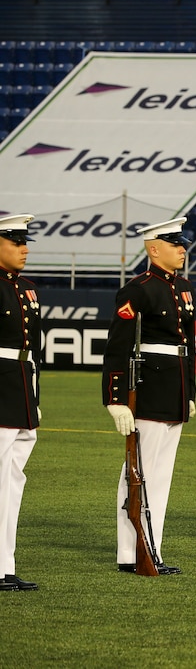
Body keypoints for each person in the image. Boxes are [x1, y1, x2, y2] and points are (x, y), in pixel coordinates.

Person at [102, 217, 196, 576]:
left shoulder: (185, 288)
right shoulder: (137, 289)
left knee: (162, 475)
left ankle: (151, 547)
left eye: (182, 244)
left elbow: (189, 346)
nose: (182, 250)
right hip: (147, 389)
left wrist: (190, 391)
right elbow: (117, 347)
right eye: (175, 244)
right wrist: (115, 398)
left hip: (173, 390)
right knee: (138, 472)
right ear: (154, 249)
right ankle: (130, 551)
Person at [0, 215, 40, 592]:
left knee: (12, 484)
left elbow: (33, 352)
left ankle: (4, 566)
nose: (24, 248)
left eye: (24, 241)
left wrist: (36, 398)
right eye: (15, 242)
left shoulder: (26, 287)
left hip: (21, 392)